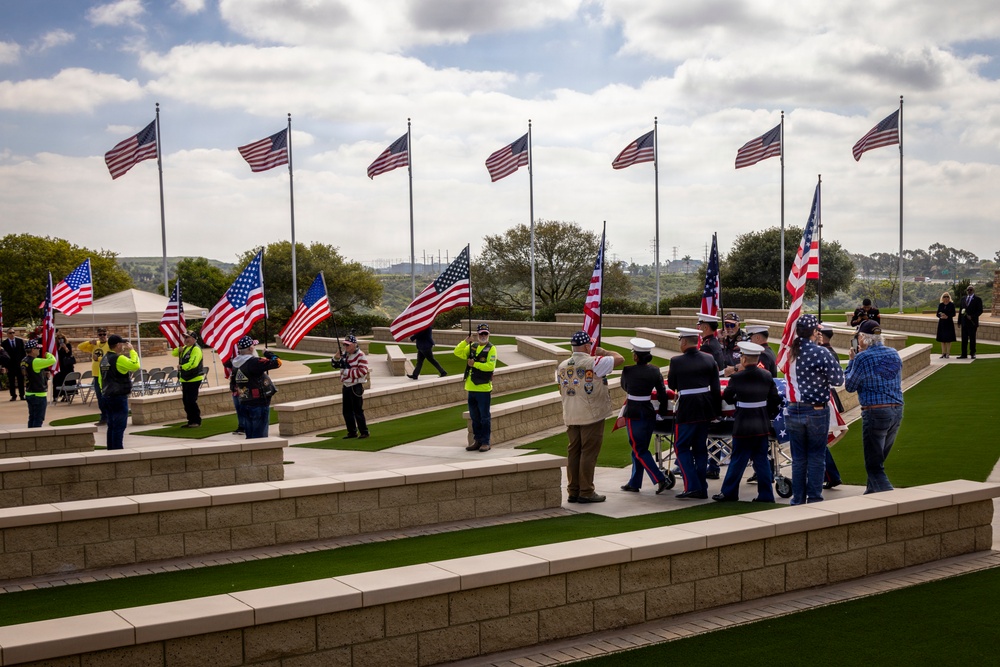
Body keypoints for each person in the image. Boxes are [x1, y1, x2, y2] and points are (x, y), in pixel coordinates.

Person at [556, 331, 623, 503]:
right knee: (588, 452)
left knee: (573, 452)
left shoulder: (562, 365)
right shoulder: (594, 361)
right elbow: (620, 358)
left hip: (570, 414)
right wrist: (604, 352)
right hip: (591, 415)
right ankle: (586, 491)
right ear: (587, 346)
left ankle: (573, 490)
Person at [784, 314, 844, 505]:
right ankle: (815, 497)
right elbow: (838, 380)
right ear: (814, 332)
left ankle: (798, 499)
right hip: (816, 410)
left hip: (793, 410)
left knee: (799, 457)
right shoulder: (821, 352)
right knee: (817, 456)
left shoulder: (789, 353)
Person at [714, 342, 780, 503]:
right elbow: (774, 399)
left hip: (743, 423)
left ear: (744, 359)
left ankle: (729, 492)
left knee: (738, 458)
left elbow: (728, 397)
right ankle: (766, 495)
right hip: (761, 423)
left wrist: (739, 400)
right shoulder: (766, 376)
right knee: (761, 460)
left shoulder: (737, 377)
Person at [845, 319, 903, 494]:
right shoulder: (893, 353)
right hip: (897, 411)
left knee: (874, 465)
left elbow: (850, 386)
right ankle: (870, 495)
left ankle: (890, 501)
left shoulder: (862, 358)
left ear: (863, 338)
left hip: (875, 412)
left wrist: (851, 362)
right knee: (878, 459)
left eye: (859, 336)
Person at [667, 327, 722, 499]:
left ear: (683, 341)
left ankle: (692, 485)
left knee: (681, 446)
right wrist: (716, 411)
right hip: (705, 407)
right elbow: (716, 386)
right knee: (700, 448)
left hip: (687, 407)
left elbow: (672, 385)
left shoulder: (676, 361)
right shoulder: (709, 358)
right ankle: (701, 487)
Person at [619, 338, 672, 498]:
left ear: (635, 356)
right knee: (639, 448)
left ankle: (660, 479)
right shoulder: (655, 371)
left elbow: (624, 386)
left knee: (639, 449)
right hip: (648, 412)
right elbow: (662, 393)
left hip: (634, 412)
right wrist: (662, 411)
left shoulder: (628, 370)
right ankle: (634, 482)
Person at [455, 323, 498, 452]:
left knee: (484, 417)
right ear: (477, 335)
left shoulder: (491, 348)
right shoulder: (472, 346)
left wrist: (475, 364)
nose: (483, 336)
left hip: (483, 388)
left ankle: (486, 442)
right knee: (474, 417)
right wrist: (465, 342)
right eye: (481, 334)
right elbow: (457, 352)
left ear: (488, 334)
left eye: (485, 333)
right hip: (471, 387)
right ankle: (477, 440)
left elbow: (490, 366)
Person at [232, 336, 282, 439]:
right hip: (259, 403)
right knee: (260, 437)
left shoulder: (235, 363)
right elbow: (277, 362)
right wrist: (268, 354)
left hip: (244, 402)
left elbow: (233, 384)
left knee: (250, 436)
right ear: (250, 349)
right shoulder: (254, 362)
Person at [815, 324, 844, 490]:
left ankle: (832, 475)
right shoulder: (826, 352)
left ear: (821, 335)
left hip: (825, 401)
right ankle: (832, 475)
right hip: (826, 400)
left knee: (819, 442)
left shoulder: (827, 353)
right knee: (820, 442)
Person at [98, 335, 140, 450]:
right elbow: (135, 366)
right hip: (118, 396)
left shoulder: (104, 359)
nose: (123, 346)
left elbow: (100, 378)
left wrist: (104, 391)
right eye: (122, 344)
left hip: (107, 395)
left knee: (111, 425)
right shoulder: (119, 358)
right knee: (119, 426)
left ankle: (111, 449)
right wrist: (132, 351)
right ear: (118, 345)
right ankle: (117, 451)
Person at [333, 334, 370, 439]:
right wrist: (336, 358)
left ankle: (364, 432)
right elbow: (335, 365)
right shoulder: (345, 355)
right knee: (346, 411)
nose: (346, 347)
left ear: (354, 344)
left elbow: (363, 371)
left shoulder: (361, 355)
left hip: (355, 386)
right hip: (346, 385)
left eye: (348, 345)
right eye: (345, 345)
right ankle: (352, 432)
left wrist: (346, 372)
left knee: (358, 410)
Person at [78, 328, 111, 425]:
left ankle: (109, 416)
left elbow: (110, 358)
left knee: (107, 397)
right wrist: (89, 342)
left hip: (106, 374)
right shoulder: (95, 345)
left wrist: (99, 358)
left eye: (104, 334)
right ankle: (103, 417)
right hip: (97, 375)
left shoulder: (109, 345)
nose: (102, 336)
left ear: (106, 335)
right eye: (100, 335)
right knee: (100, 397)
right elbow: (80, 347)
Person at [21, 339, 57, 428]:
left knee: (32, 417)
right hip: (38, 394)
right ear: (33, 350)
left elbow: (32, 373)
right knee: (38, 419)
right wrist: (48, 353)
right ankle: (35, 438)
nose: (39, 350)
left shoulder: (24, 360)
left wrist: (43, 376)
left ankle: (30, 437)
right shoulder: (35, 361)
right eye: (37, 348)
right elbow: (52, 360)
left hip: (29, 392)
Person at [172, 331, 205, 428]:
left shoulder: (196, 349)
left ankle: (196, 420)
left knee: (191, 400)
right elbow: (173, 353)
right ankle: (190, 420)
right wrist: (179, 349)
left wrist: (182, 367)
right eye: (185, 337)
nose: (186, 339)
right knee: (185, 401)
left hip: (194, 378)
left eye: (188, 337)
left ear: (194, 338)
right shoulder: (185, 348)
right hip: (185, 379)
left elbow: (193, 363)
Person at [957, 285, 984, 359]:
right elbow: (960, 311)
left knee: (972, 339)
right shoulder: (963, 299)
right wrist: (959, 321)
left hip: (972, 323)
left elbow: (980, 310)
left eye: (971, 290)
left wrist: (972, 316)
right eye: (968, 290)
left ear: (973, 291)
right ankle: (963, 354)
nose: (969, 291)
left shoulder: (977, 299)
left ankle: (972, 353)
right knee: (964, 339)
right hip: (964, 322)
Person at [224, 358, 247, 436]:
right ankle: (241, 426)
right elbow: (226, 363)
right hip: (235, 390)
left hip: (243, 390)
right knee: (239, 409)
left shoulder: (245, 363)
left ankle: (246, 426)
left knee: (244, 409)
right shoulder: (233, 363)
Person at [720, 312, 748, 377]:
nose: (729, 328)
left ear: (739, 325)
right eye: (727, 325)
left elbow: (749, 362)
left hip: (739, 376)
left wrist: (734, 369)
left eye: (732, 325)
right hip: (723, 376)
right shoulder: (720, 339)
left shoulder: (746, 340)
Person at [3, 328, 26, 401]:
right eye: (10, 333)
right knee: (11, 381)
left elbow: (23, 353)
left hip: (19, 364)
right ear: (7, 334)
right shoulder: (4, 343)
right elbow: (3, 356)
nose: (12, 334)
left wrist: (24, 364)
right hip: (10, 365)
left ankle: (22, 395)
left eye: (13, 332)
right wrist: (5, 366)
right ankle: (13, 395)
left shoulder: (19, 341)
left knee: (21, 381)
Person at [53, 333, 76, 401]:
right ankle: (56, 395)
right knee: (58, 380)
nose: (60, 340)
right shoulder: (55, 346)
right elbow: (56, 354)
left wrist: (65, 348)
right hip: (59, 365)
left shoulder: (68, 345)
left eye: (62, 338)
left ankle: (67, 395)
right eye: (59, 338)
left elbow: (69, 354)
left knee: (68, 380)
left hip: (67, 365)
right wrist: (59, 348)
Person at [935, 292, 956, 359]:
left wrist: (947, 316)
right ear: (942, 298)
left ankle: (948, 353)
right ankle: (943, 353)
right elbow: (937, 314)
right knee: (942, 339)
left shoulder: (951, 305)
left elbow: (953, 313)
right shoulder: (941, 305)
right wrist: (940, 316)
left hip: (949, 323)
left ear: (949, 298)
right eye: (944, 297)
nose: (946, 298)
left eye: (947, 297)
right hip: (942, 323)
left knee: (948, 339)